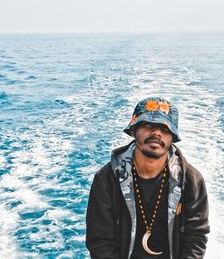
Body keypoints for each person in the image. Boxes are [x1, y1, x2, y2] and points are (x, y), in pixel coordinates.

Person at [86, 97, 210, 259]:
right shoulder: (107, 178)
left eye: (165, 129)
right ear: (133, 131)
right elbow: (100, 240)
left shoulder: (191, 180)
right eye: (148, 126)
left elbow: (196, 237)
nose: (156, 133)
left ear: (172, 137)